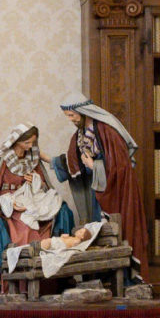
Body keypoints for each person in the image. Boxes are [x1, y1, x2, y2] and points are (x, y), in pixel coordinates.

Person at [0, 124, 71, 298]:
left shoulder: (32, 159)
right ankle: (22, 285)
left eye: (32, 142)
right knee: (26, 228)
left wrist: (37, 182)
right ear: (17, 141)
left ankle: (47, 284)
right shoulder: (1, 162)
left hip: (31, 202)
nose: (30, 146)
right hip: (10, 207)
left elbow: (44, 186)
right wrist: (10, 201)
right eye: (26, 143)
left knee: (59, 212)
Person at [58, 94, 144, 262]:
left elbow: (121, 167)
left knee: (112, 229)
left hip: (112, 191)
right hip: (96, 188)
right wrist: (50, 160)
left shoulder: (107, 131)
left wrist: (94, 166)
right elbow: (72, 160)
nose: (70, 119)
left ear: (82, 111)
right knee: (96, 228)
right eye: (68, 116)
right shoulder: (81, 133)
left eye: (72, 115)